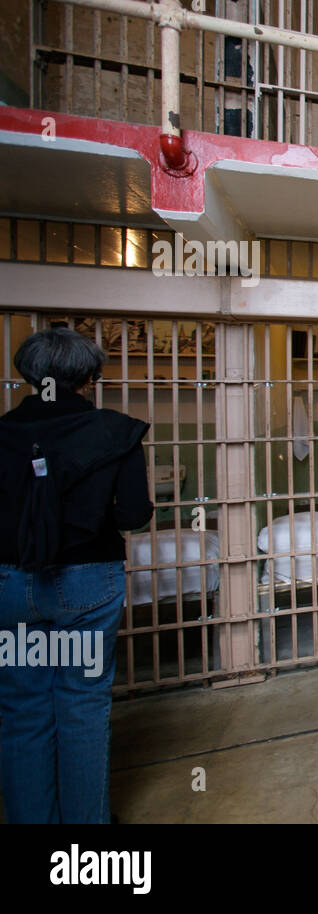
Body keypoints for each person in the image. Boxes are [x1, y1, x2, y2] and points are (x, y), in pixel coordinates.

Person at [0, 327, 153, 823]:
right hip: (87, 581)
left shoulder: (3, 433)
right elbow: (134, 516)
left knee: (22, 712)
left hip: (10, 584)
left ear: (29, 375)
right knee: (83, 708)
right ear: (90, 376)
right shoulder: (116, 431)